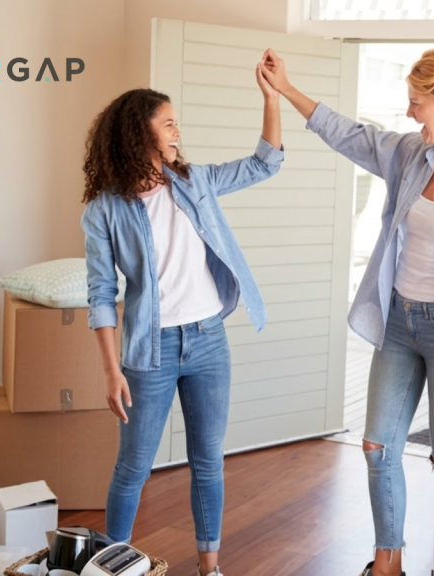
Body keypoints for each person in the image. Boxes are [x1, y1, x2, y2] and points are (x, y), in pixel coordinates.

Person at [259, 43, 434, 576]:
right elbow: (348, 134)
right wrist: (285, 88)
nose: (409, 113)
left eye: (417, 103)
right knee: (377, 446)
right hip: (400, 322)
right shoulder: (409, 154)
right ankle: (387, 564)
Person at [80, 63, 282, 576]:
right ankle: (109, 567)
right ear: (138, 133)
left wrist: (271, 95)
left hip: (209, 341)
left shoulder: (195, 182)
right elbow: (102, 295)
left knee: (208, 461)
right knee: (133, 467)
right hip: (150, 350)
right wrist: (110, 371)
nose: (177, 131)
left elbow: (265, 164)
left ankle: (209, 567)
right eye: (168, 123)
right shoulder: (105, 210)